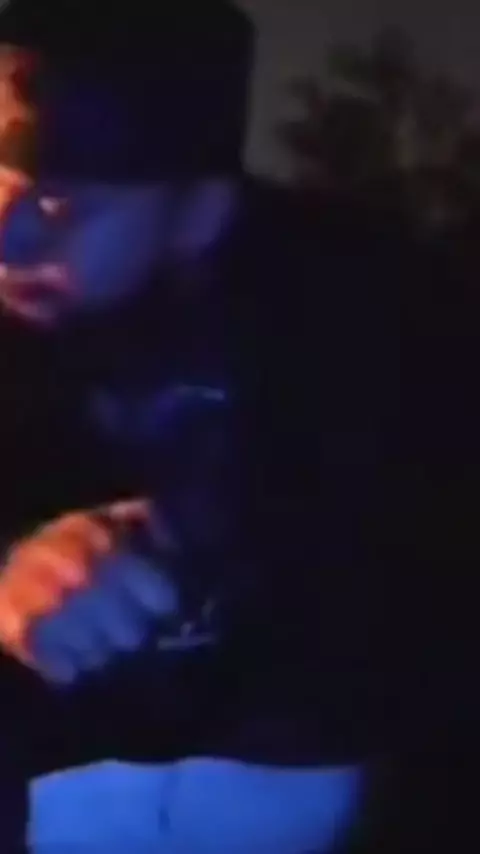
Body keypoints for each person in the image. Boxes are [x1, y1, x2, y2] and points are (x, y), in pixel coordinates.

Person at [0, 2, 476, 852]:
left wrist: (211, 557)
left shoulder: (372, 310)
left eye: (61, 205)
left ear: (200, 211)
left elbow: (419, 568)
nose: (8, 236)